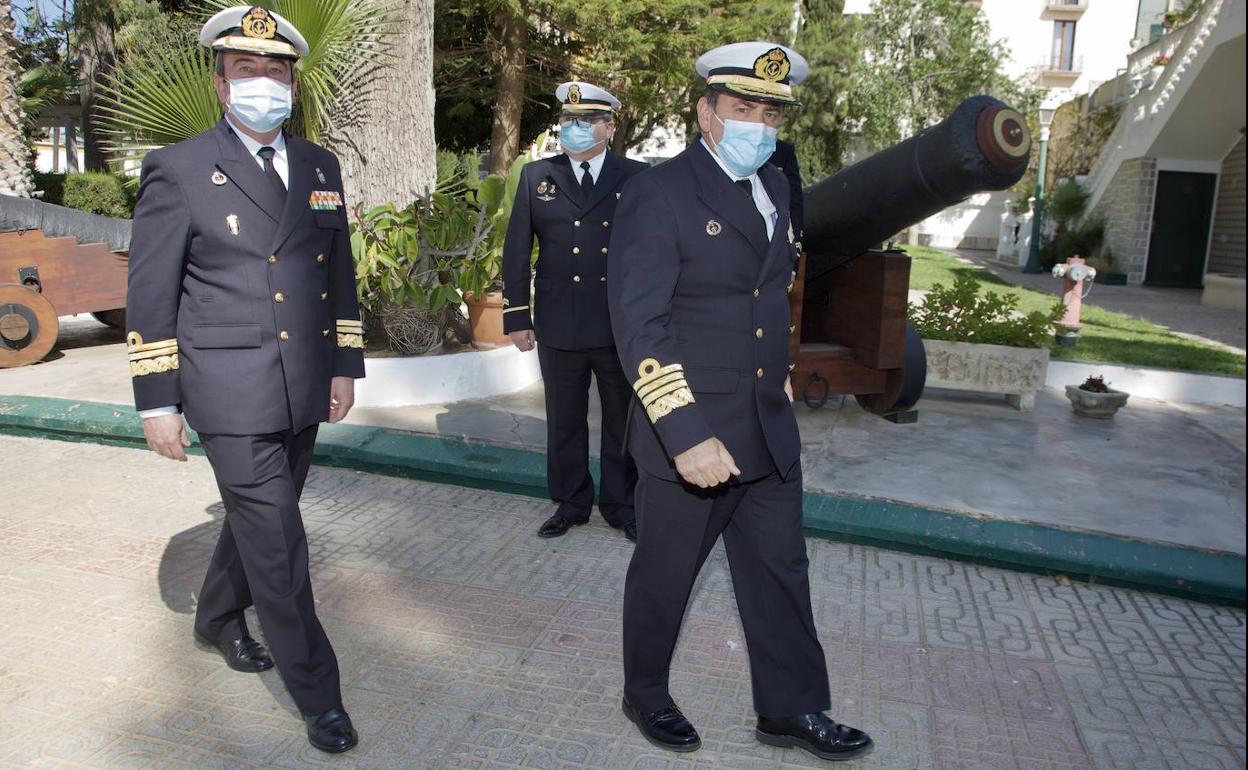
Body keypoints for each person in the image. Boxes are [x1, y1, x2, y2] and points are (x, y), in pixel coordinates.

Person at [606, 42, 874, 762]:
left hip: (765, 423)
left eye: (771, 113)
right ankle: (645, 692)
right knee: (666, 575)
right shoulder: (658, 193)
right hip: (692, 431)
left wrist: (780, 373)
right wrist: (684, 432)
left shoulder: (776, 187)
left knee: (781, 572)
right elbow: (640, 323)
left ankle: (790, 708)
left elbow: (769, 295)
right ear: (706, 113)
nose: (758, 124)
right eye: (743, 108)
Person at [125, 6, 363, 754]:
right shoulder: (180, 168)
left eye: (276, 70)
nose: (264, 82)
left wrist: (344, 363)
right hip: (228, 389)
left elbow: (337, 271)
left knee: (260, 521)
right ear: (221, 85)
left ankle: (217, 616)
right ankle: (318, 692)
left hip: (304, 381)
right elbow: (150, 292)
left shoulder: (319, 166)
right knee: (281, 542)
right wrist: (157, 400)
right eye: (246, 70)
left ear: (293, 82)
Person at [502, 81, 648, 542]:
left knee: (621, 419)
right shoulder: (538, 176)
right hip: (558, 319)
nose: (574, 128)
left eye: (586, 121)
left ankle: (622, 505)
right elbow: (516, 249)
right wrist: (517, 315)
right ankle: (571, 502)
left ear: (609, 127)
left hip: (616, 323)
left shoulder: (636, 176)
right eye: (568, 120)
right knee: (564, 419)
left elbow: (651, 252)